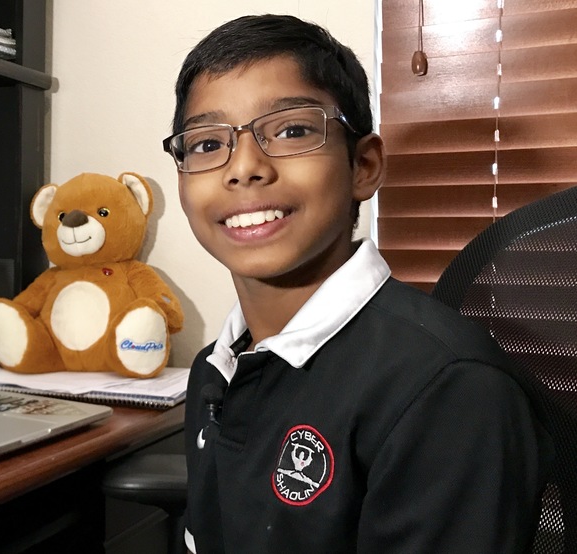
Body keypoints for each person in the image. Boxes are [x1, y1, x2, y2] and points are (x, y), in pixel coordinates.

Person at [164, 14, 553, 553]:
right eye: (207, 143)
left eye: (292, 131)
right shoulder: (216, 367)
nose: (244, 167)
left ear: (364, 166)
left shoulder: (449, 393)